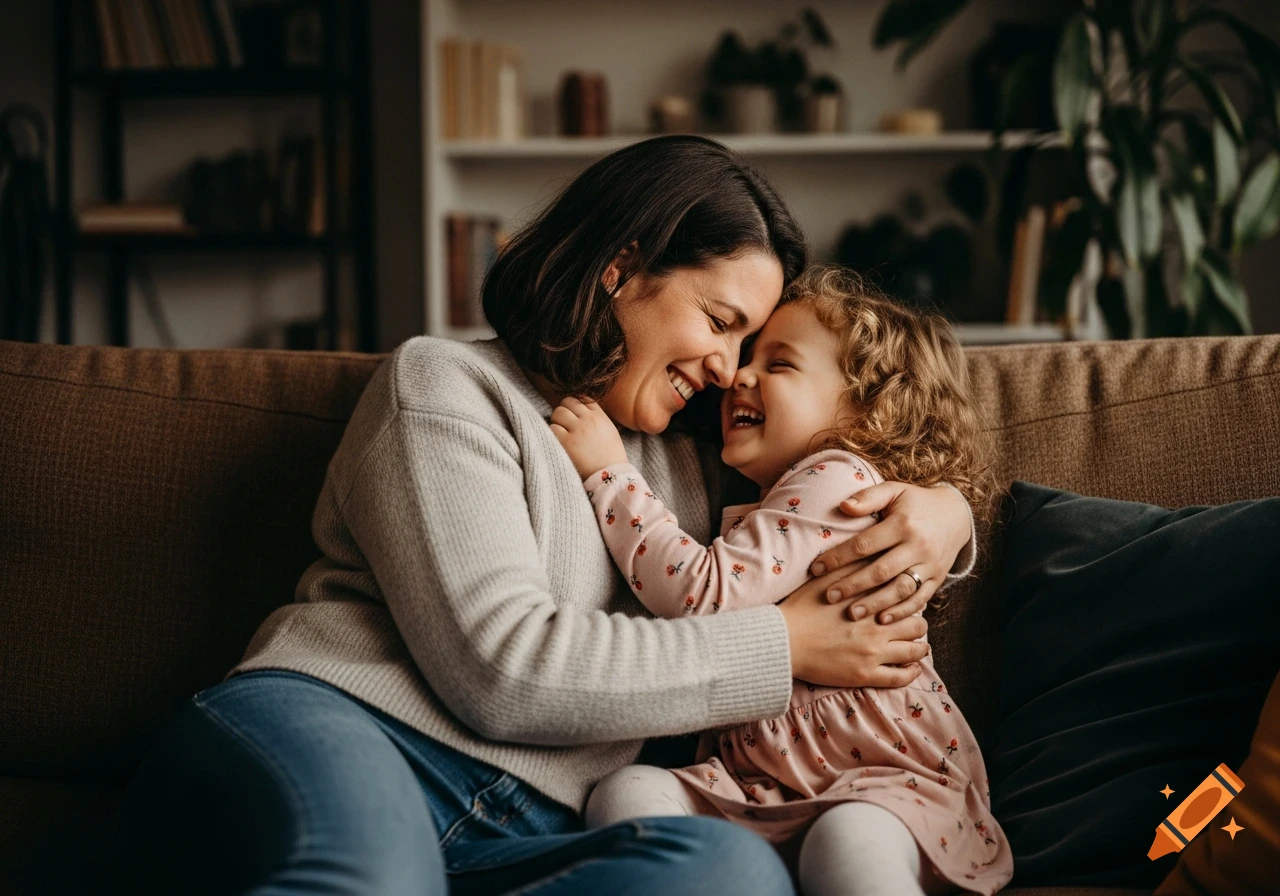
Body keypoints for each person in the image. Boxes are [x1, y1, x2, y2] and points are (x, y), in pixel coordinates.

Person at [115, 137, 977, 896]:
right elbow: (506, 670)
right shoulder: (446, 387)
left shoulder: (698, 452)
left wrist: (943, 520)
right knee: (375, 881)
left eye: (749, 349)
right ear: (621, 269)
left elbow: (842, 471)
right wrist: (785, 646)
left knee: (729, 875)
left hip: (529, 827)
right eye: (719, 323)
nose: (727, 370)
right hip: (345, 728)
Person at [553, 266, 1012, 896]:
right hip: (758, 783)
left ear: (868, 411)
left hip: (878, 781)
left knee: (848, 840)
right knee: (628, 791)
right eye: (747, 355)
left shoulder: (839, 479)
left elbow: (704, 594)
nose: (737, 374)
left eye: (781, 364)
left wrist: (610, 474)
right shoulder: (767, 492)